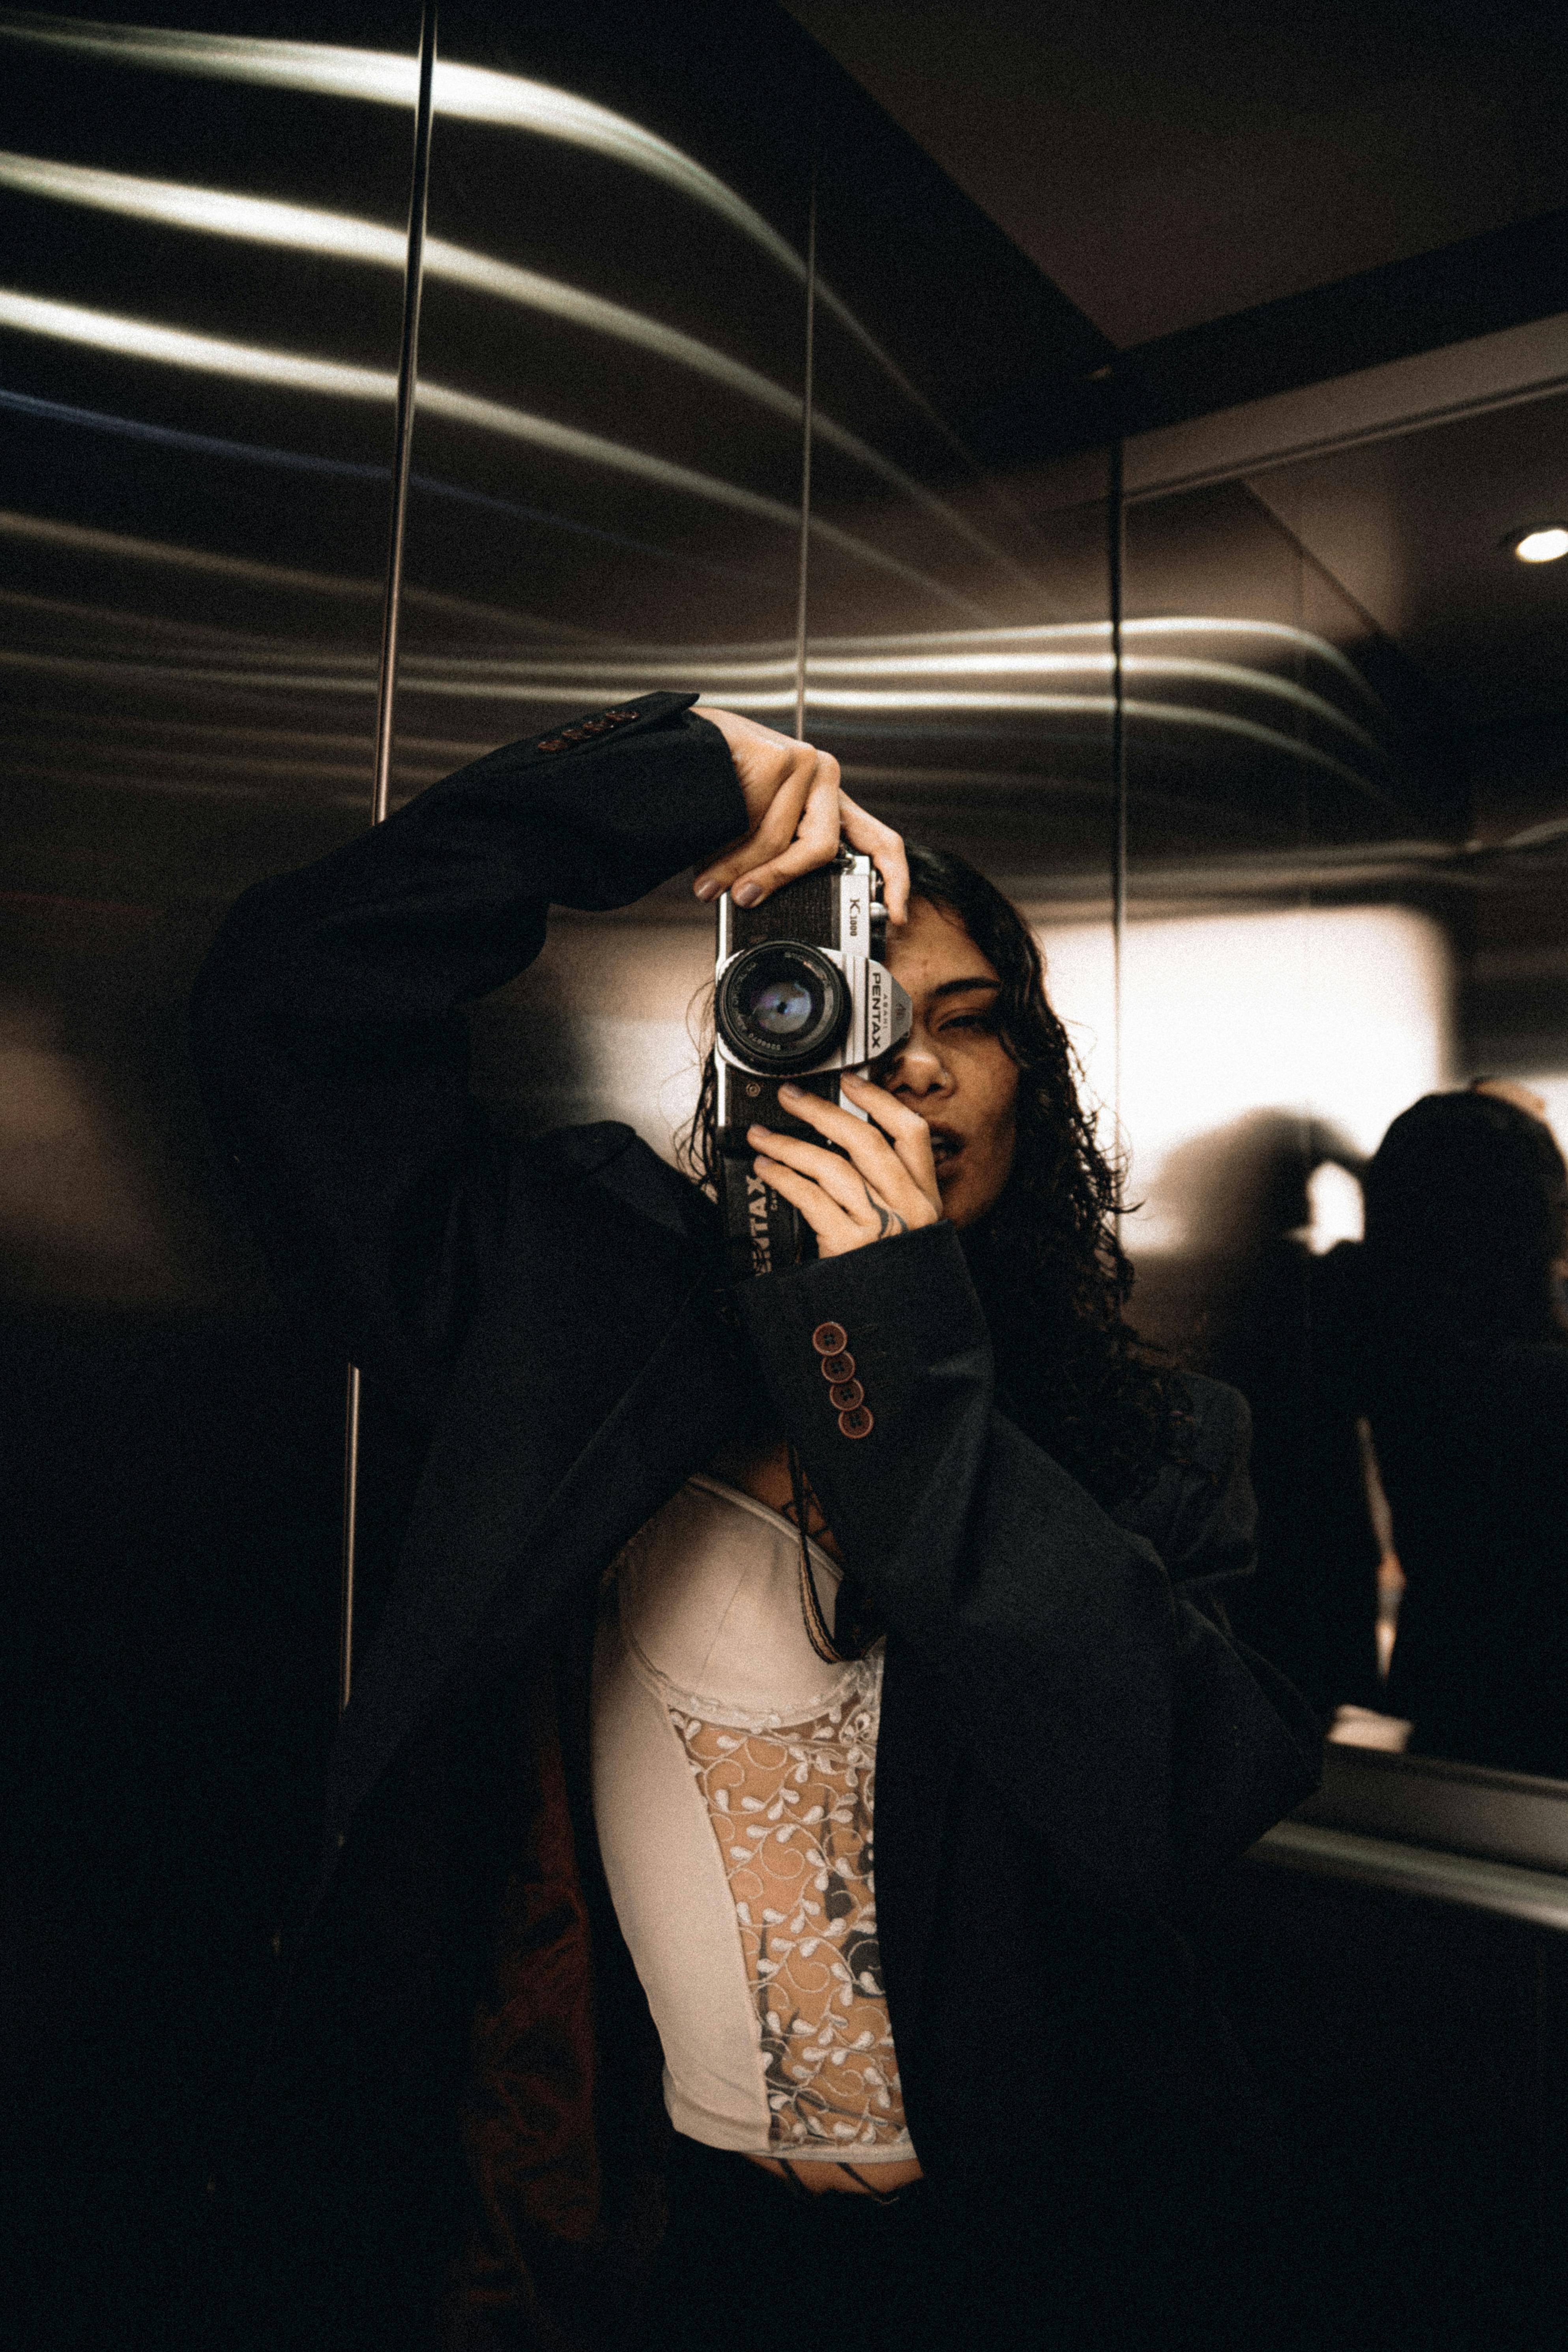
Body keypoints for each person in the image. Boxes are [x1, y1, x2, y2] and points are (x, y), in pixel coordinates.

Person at [190, 691, 1321, 2352]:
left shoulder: (1159, 1436)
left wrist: (895, 1346)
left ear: (1038, 1076)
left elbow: (1177, 1794)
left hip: (1066, 2242)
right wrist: (646, 785)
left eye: (974, 1015)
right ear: (751, 1038)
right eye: (851, 1006)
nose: (916, 1061)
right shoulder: (571, 1309)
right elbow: (285, 1011)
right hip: (658, 2236)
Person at [1353, 1085, 1568, 1774]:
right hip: (1537, 1718)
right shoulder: (1532, 1384)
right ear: (1526, 1222)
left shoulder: (1392, 1351)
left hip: (1446, 1696)